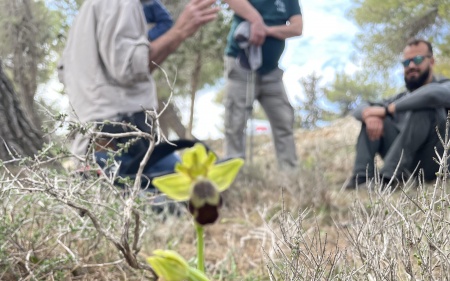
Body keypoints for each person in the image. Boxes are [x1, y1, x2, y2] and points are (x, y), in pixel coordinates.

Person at [59, 0, 217, 182]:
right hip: (119, 139)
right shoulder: (122, 4)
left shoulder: (89, 10)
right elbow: (129, 69)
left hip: (91, 142)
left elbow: (63, 72)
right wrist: (179, 32)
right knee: (188, 191)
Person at [346, 39, 450, 190]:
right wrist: (370, 115)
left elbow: (432, 96)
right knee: (372, 118)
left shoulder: (444, 86)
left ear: (432, 61)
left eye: (418, 59)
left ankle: (386, 180)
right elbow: (360, 109)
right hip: (406, 165)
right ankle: (361, 178)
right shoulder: (399, 98)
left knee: (425, 107)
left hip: (435, 164)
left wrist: (388, 110)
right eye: (406, 62)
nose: (412, 66)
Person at [224, 0, 303, 169]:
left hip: (272, 72)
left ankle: (290, 176)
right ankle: (234, 177)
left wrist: (267, 30)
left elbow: (297, 28)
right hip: (240, 66)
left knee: (284, 121)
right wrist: (256, 20)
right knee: (235, 123)